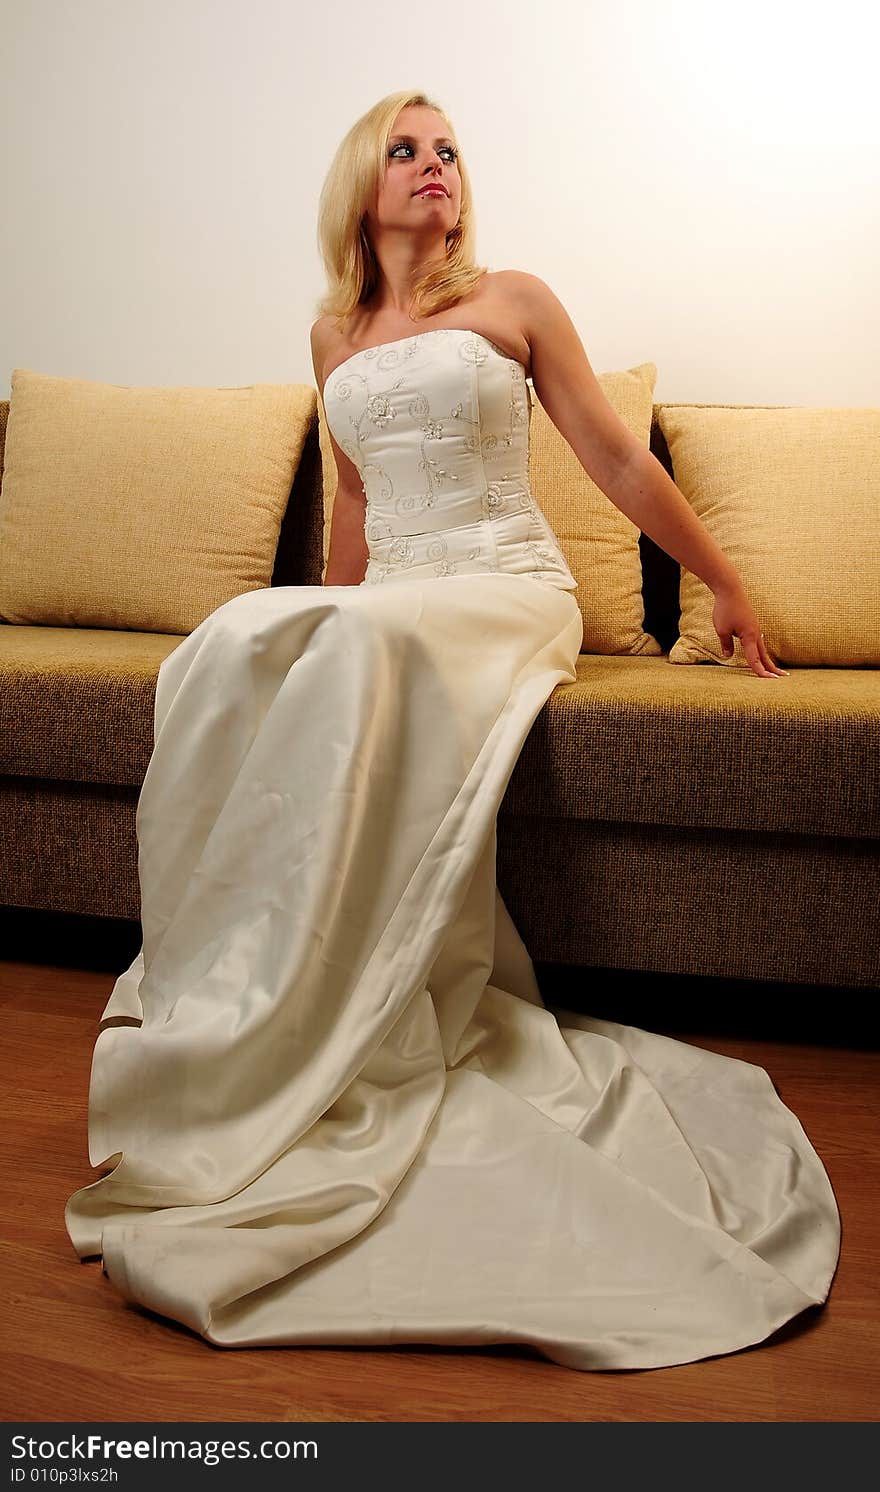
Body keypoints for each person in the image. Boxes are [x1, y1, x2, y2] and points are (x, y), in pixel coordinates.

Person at [65, 90, 839, 1372]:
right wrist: (322, 609)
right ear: (360, 187)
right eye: (407, 150)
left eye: (450, 151)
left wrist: (724, 581)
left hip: (502, 589)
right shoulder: (330, 337)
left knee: (351, 637)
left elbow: (615, 458)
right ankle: (247, 1001)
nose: (435, 168)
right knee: (230, 642)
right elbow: (355, 513)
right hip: (400, 599)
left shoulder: (515, 300)